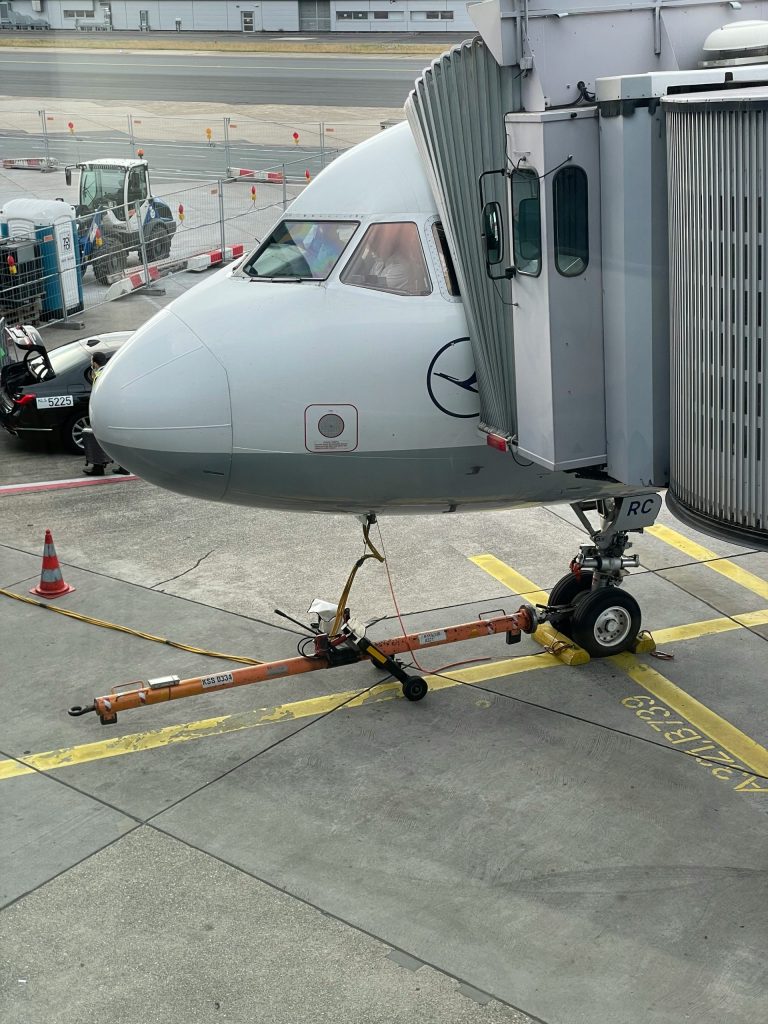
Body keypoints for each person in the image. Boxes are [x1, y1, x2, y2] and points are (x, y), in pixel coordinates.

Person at [83, 351, 129, 475]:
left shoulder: (98, 375)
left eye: (91, 361)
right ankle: (124, 467)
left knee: (97, 438)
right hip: (117, 411)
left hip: (105, 413)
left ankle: (98, 468)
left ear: (94, 362)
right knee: (118, 439)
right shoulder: (109, 372)